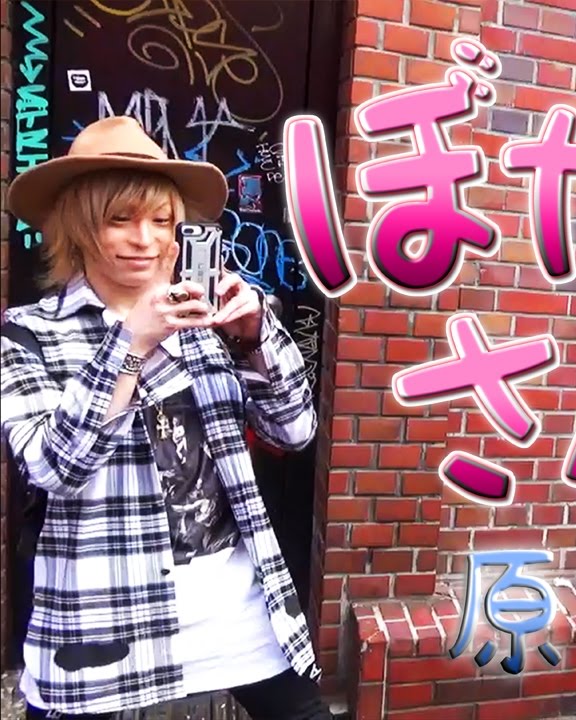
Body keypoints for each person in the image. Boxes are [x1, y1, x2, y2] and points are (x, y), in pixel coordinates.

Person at [1, 116, 331, 719]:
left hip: (239, 616)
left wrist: (254, 338)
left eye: (161, 221)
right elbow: (54, 469)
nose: (145, 240)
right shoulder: (29, 334)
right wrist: (129, 343)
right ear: (78, 228)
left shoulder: (208, 324)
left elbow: (295, 430)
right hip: (104, 633)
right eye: (119, 219)